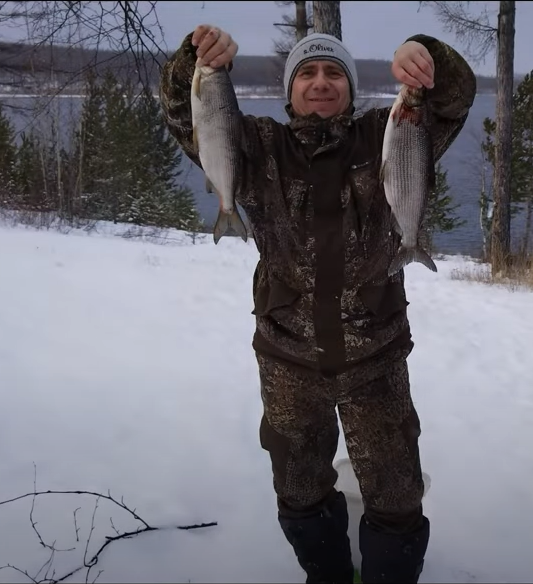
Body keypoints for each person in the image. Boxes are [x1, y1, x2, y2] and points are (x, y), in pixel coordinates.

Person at [158, 23, 476, 584]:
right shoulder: (256, 147)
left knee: (396, 495)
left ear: (351, 88)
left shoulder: (390, 130)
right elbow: (188, 118)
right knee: (299, 491)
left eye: (334, 73)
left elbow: (452, 101)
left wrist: (426, 57)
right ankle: (325, 575)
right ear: (290, 90)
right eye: (307, 72)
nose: (321, 83)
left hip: (375, 359)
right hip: (287, 362)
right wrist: (196, 60)